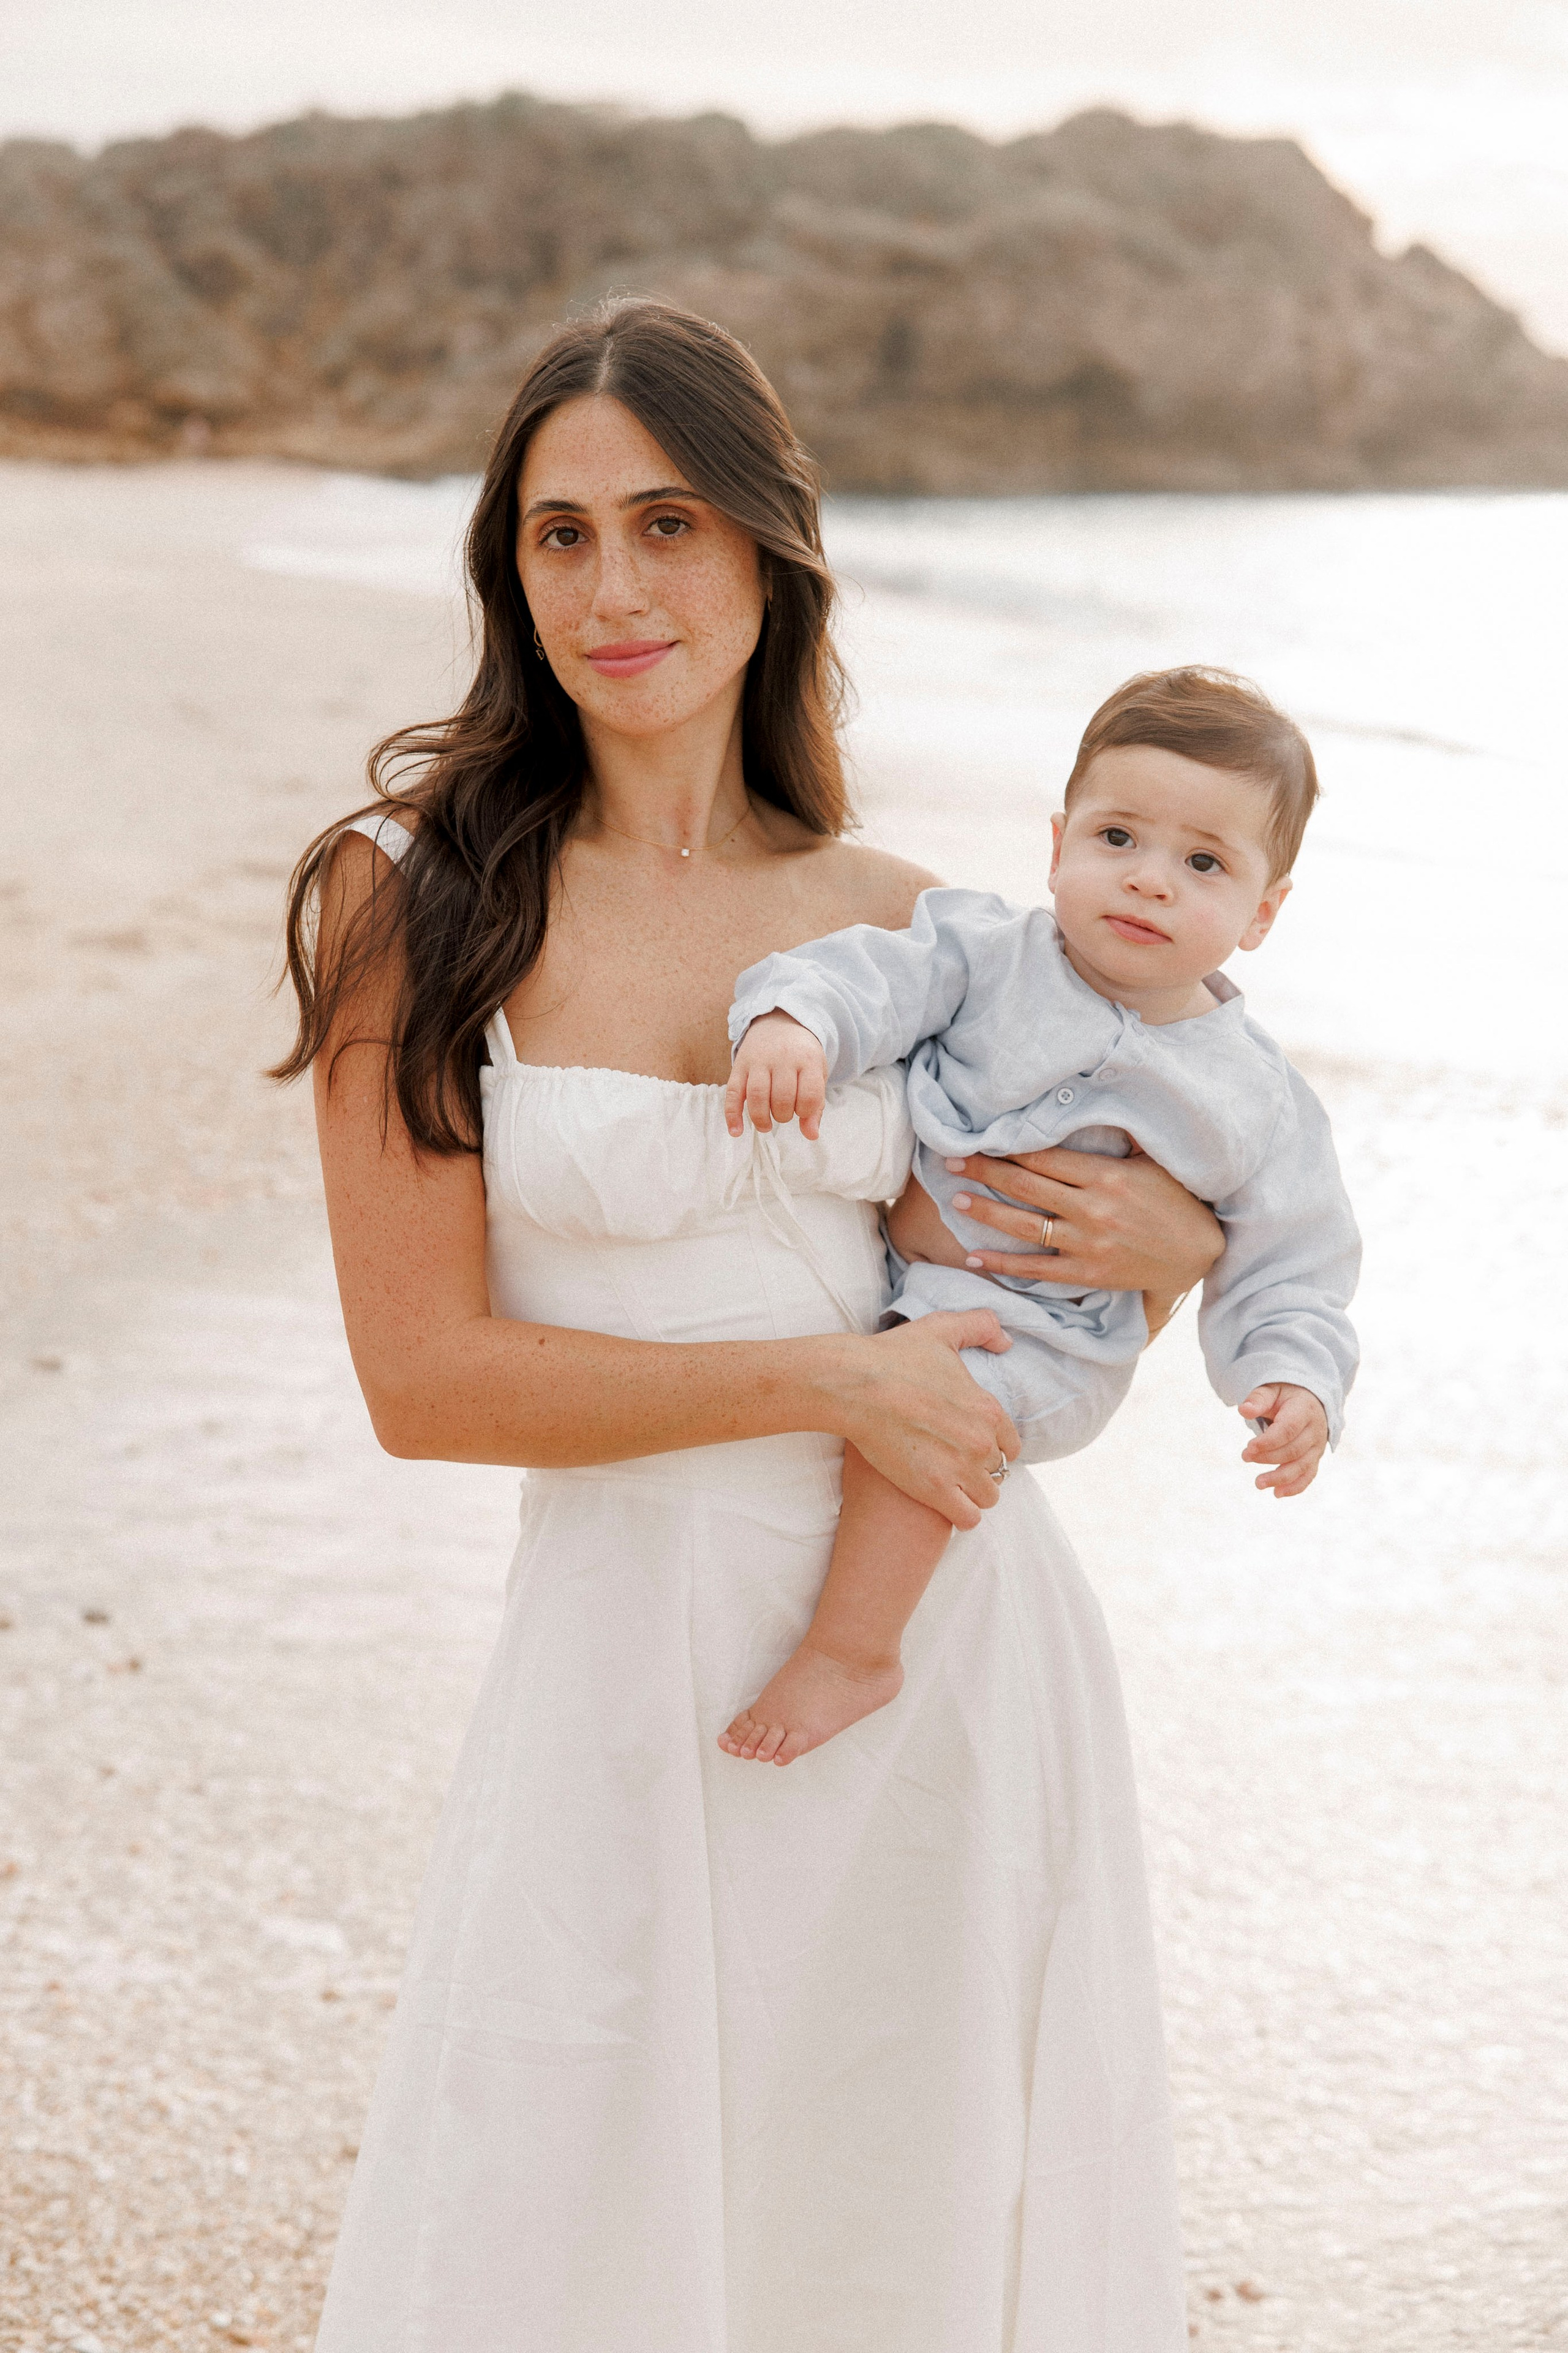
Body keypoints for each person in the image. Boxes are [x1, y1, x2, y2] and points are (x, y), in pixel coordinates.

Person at [274, 296, 1222, 2353]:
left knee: (898, 2235)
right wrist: (823, 1377)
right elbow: (423, 1383)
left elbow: (1009, 1302)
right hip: (629, 1664)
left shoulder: (910, 922)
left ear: (771, 549)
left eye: (668, 523)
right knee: (564, 2220)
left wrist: (1175, 1249)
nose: (612, 588)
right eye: (558, 535)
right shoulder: (411, 896)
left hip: (944, 1656)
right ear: (506, 570)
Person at [718, 667, 1361, 1766]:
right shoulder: (985, 951)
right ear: (1058, 841)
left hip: (1045, 1346)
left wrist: (1298, 1379)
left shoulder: (1256, 1097)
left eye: (1203, 862)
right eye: (1119, 837)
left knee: (931, 1412)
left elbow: (1295, 1260)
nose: (1150, 881)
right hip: (890, 1278)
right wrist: (793, 1023)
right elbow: (867, 977)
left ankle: (855, 1649)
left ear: (1263, 911)